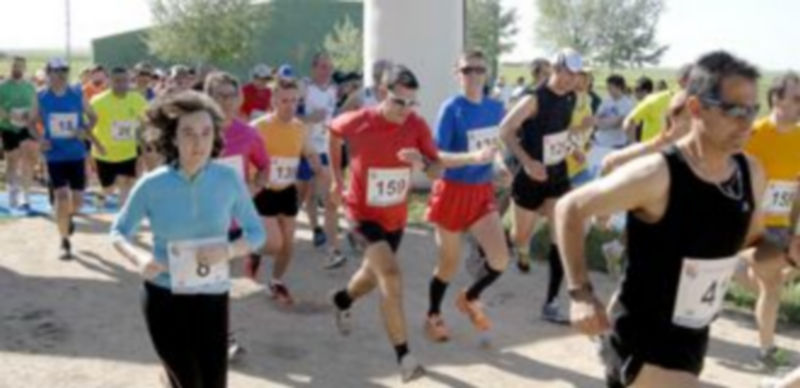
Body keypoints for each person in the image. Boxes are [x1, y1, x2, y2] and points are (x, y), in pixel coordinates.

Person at [554, 51, 790, 387]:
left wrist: (785, 251)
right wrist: (580, 294)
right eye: (733, 110)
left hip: (694, 336)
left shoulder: (749, 172)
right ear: (695, 108)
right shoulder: (658, 174)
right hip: (641, 342)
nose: (746, 122)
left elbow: (753, 242)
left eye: (752, 110)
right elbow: (570, 208)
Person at [111, 90, 266, 388]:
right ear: (173, 138)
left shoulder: (229, 179)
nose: (199, 142)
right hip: (163, 296)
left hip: (212, 294)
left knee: (214, 383)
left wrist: (229, 250)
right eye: (189, 133)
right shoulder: (152, 184)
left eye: (206, 133)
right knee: (189, 382)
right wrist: (138, 258)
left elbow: (256, 233)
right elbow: (119, 231)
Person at [327, 64, 443, 382]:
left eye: (411, 103)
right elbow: (333, 134)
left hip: (396, 218)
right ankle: (405, 357)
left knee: (370, 275)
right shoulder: (359, 121)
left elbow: (438, 171)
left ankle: (342, 299)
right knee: (390, 275)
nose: (405, 110)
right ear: (381, 93)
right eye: (398, 102)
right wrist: (338, 181)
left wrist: (422, 163)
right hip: (362, 215)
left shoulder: (416, 126)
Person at [423, 50, 510, 342]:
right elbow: (437, 157)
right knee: (449, 263)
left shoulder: (496, 108)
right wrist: (473, 157)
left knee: (500, 259)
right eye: (466, 70)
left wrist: (498, 168)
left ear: (486, 74)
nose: (473, 76)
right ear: (456, 74)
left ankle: (470, 296)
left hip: (481, 193)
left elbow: (494, 151)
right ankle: (433, 315)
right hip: (451, 193)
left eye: (478, 70)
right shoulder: (452, 108)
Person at [499, 48, 585, 323]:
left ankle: (551, 302)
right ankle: (517, 247)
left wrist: (573, 149)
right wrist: (525, 162)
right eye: (567, 73)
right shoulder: (533, 99)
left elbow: (559, 131)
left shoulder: (572, 97)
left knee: (561, 231)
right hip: (530, 177)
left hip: (557, 174)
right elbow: (505, 130)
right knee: (521, 237)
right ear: (555, 68)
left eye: (575, 75)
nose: (570, 79)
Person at [740, 72, 800, 367]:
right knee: (772, 283)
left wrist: (792, 228)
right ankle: (766, 351)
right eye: (796, 98)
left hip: (780, 225)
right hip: (749, 225)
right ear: (776, 99)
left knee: (768, 281)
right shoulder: (754, 134)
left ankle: (736, 271)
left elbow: (796, 189)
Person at [250, 75, 326, 305]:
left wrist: (315, 161)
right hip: (264, 189)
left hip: (287, 190)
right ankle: (255, 250)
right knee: (275, 243)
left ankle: (276, 281)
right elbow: (245, 157)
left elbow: (309, 149)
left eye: (294, 100)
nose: (290, 105)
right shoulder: (259, 127)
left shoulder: (299, 127)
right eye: (285, 100)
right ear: (274, 101)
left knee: (288, 243)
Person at [34, 58, 104, 260]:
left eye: (64, 70)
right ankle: (64, 241)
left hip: (75, 154)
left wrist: (85, 129)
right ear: (48, 74)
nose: (61, 74)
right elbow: (31, 122)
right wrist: (40, 139)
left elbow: (94, 116)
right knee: (62, 197)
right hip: (54, 155)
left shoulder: (76, 93)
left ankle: (68, 218)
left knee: (78, 203)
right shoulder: (41, 96)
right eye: (56, 71)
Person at [298, 52, 345, 268]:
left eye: (330, 67)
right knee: (306, 192)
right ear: (314, 68)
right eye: (323, 67)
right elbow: (284, 114)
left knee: (327, 192)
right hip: (302, 147)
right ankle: (314, 228)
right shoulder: (304, 87)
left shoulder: (333, 90)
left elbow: (333, 115)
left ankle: (331, 247)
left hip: (324, 146)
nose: (327, 71)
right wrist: (308, 118)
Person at [90, 66, 149, 208]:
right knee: (109, 188)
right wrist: (98, 145)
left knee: (127, 183)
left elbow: (145, 124)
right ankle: (101, 194)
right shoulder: (98, 101)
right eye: (117, 81)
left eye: (125, 81)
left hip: (128, 152)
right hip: (105, 154)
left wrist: (144, 146)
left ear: (130, 81)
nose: (121, 84)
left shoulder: (137, 100)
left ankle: (122, 220)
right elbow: (87, 128)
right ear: (109, 81)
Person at [0, 56, 39, 209]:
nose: (18, 69)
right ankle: (13, 190)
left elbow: (35, 105)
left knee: (28, 158)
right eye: (15, 66)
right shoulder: (2, 86)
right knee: (12, 160)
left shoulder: (30, 86)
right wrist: (11, 116)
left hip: (26, 126)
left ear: (25, 68)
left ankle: (26, 196)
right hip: (8, 127)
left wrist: (30, 115)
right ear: (10, 67)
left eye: (21, 66)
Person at [624, 65, 692, 143]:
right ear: (682, 81)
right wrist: (635, 145)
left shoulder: (702, 102)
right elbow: (629, 122)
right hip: (654, 150)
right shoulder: (655, 100)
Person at [589, 74, 636, 171]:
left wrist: (603, 122)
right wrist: (604, 122)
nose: (608, 90)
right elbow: (596, 117)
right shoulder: (606, 100)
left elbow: (618, 123)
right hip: (600, 142)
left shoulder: (627, 104)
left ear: (618, 87)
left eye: (610, 87)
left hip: (616, 144)